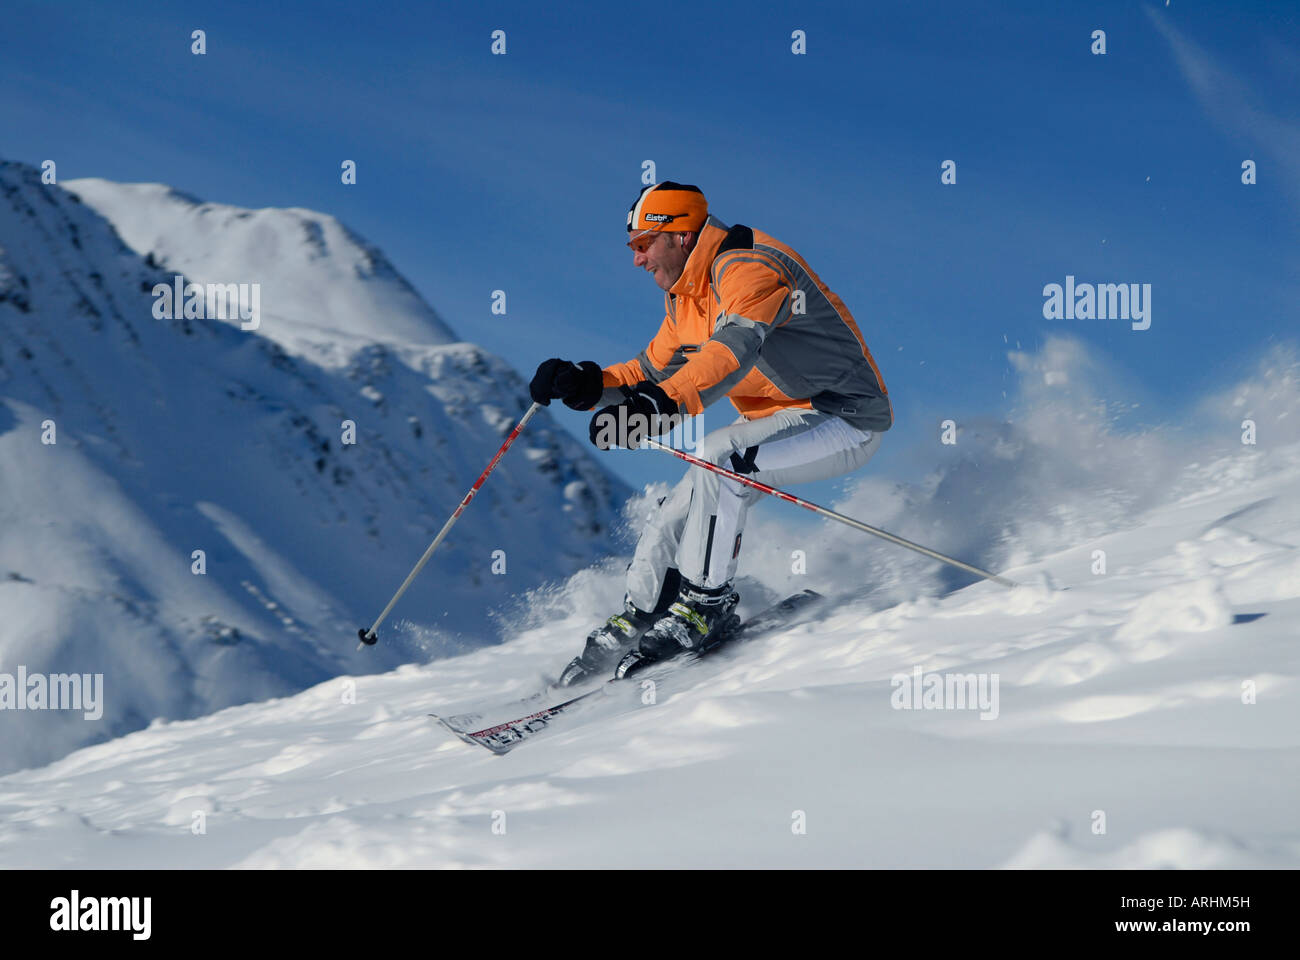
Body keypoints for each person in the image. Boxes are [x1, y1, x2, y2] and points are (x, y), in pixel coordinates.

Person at [530, 181, 892, 686]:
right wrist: (589, 384)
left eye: (642, 245)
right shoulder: (686, 299)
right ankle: (646, 612)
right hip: (772, 424)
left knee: (718, 457)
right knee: (677, 509)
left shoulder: (749, 266)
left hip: (842, 417)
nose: (636, 261)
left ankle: (706, 606)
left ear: (678, 235)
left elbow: (733, 348)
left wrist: (662, 403)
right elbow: (649, 372)